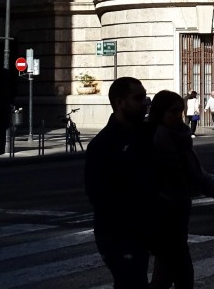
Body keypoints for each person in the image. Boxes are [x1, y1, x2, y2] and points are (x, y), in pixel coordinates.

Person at [147, 90, 214, 289]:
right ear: (160, 113)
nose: (178, 115)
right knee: (182, 274)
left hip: (177, 218)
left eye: (180, 110)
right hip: (162, 220)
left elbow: (199, 177)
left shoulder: (181, 139)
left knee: (166, 276)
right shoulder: (152, 142)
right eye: (173, 111)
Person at [85, 76, 154, 289]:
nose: (145, 102)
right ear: (119, 102)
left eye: (145, 97)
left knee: (134, 282)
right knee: (131, 282)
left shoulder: (147, 134)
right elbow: (98, 194)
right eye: (138, 98)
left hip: (141, 231)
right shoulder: (103, 144)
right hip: (117, 233)